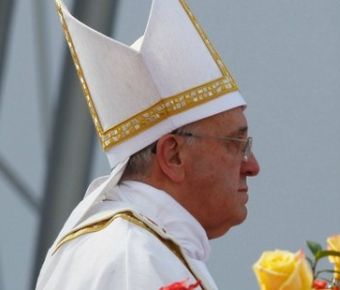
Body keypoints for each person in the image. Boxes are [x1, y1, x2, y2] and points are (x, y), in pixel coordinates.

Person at [35, 0, 259, 289]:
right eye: (236, 143)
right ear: (174, 156)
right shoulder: (135, 258)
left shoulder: (134, 246)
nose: (252, 166)